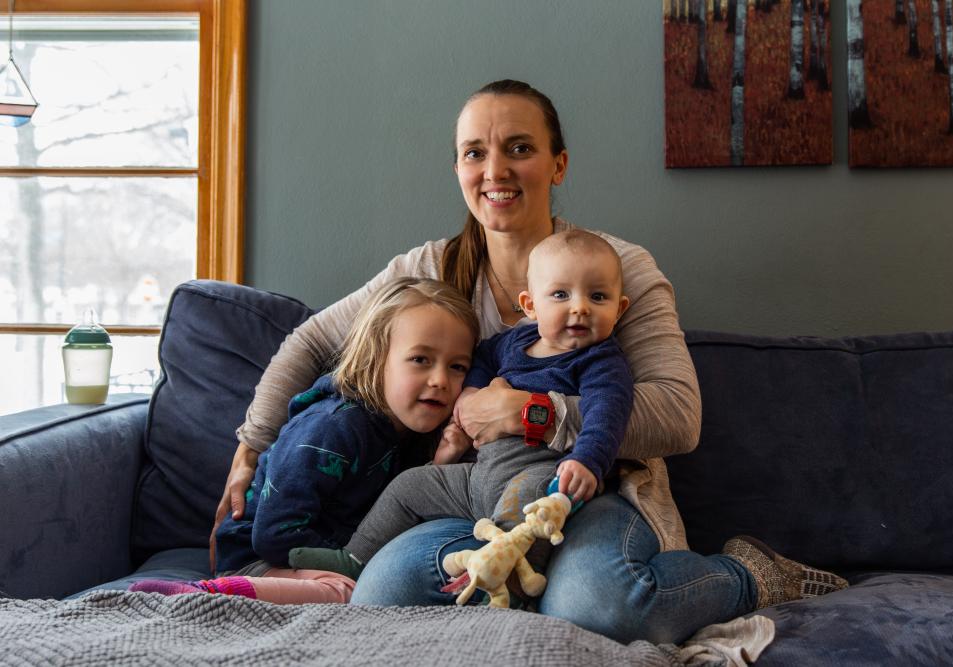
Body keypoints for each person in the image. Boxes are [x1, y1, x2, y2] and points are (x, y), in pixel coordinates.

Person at [214, 79, 846, 643]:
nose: (496, 169)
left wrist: (530, 414)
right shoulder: (430, 271)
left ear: (558, 163)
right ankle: (511, 582)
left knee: (600, 606)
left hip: (591, 489)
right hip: (471, 496)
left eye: (520, 147)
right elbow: (309, 343)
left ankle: (750, 575)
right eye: (475, 152)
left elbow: (678, 416)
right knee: (382, 597)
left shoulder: (616, 270)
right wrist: (251, 450)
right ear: (459, 167)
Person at [287, 230, 634, 580]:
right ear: (530, 305)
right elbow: (481, 358)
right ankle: (355, 558)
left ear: (619, 309)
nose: (579, 307)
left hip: (539, 471)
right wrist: (469, 396)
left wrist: (587, 461)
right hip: (478, 476)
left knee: (527, 508)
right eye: (560, 295)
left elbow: (607, 414)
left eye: (598, 297)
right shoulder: (516, 340)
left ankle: (509, 580)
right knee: (410, 486)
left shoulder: (600, 361)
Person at [129, 277, 478, 604]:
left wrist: (442, 461)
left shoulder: (408, 433)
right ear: (377, 357)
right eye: (420, 359)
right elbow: (273, 534)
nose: (440, 380)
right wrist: (354, 563)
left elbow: (396, 511)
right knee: (346, 590)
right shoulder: (332, 427)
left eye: (457, 367)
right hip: (258, 560)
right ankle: (200, 594)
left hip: (317, 557)